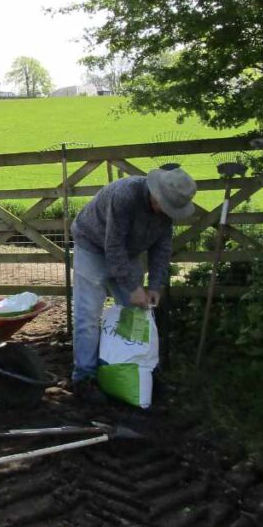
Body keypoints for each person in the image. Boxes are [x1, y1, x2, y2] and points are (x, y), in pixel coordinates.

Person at [68, 164, 197, 402]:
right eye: (166, 205)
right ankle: (84, 378)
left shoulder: (167, 213)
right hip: (92, 244)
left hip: (127, 252)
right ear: (156, 194)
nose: (167, 212)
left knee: (139, 312)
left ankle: (142, 371)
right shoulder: (125, 196)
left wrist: (155, 285)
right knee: (88, 316)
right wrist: (133, 287)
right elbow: (113, 246)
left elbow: (162, 247)